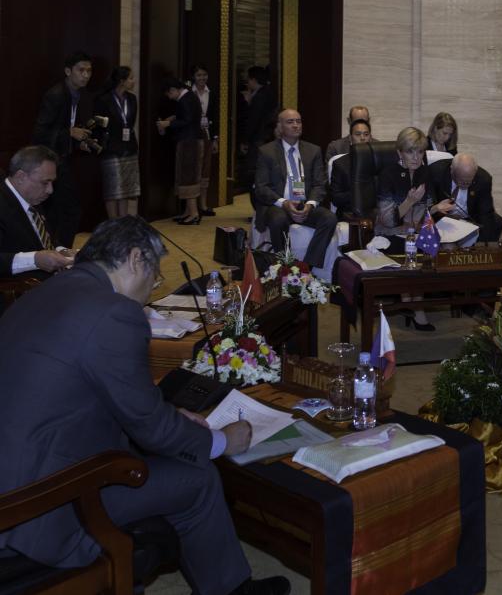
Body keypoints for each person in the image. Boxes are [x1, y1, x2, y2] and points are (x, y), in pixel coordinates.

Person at [0, 216, 289, 595]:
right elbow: (149, 426)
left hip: (17, 471)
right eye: (155, 276)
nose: (153, 286)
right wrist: (221, 441)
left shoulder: (45, 292)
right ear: (136, 258)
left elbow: (89, 392)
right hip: (40, 507)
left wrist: (166, 416)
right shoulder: (113, 312)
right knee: (197, 478)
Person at [253, 109, 338, 268]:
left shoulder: (313, 151)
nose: (296, 125)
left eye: (298, 121)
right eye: (290, 122)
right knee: (278, 220)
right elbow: (261, 188)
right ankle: (286, 266)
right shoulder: (267, 151)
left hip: (304, 203)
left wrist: (309, 205)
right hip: (278, 205)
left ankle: (307, 268)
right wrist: (284, 203)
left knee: (329, 218)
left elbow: (320, 184)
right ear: (280, 127)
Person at [32, 51, 97, 247]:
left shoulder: (79, 95)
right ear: (68, 71)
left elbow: (68, 130)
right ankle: (61, 252)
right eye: (81, 70)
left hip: (62, 159)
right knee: (69, 210)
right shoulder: (56, 95)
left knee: (58, 211)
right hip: (49, 162)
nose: (86, 75)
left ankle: (57, 250)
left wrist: (80, 142)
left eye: (89, 70)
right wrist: (69, 132)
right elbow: (40, 133)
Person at [376, 126, 435, 331]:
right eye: (410, 151)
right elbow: (387, 220)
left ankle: (414, 305)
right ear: (400, 152)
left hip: (414, 230)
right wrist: (409, 202)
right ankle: (414, 306)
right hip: (389, 233)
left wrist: (436, 208)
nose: (416, 157)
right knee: (406, 248)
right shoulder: (388, 174)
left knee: (426, 247)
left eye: (420, 152)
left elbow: (427, 209)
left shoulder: (425, 172)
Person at [1, 146, 74, 279]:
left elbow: (44, 241)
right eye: (45, 183)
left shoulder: (32, 198)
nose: (50, 190)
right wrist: (34, 260)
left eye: (52, 183)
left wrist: (63, 251)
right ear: (21, 177)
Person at [92, 66, 141, 219]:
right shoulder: (104, 100)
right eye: (131, 78)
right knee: (113, 189)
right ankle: (113, 224)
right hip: (110, 148)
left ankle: (123, 221)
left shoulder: (132, 99)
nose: (133, 81)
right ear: (122, 81)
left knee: (125, 189)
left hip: (129, 146)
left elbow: (130, 122)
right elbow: (98, 126)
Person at [428, 152, 502, 243]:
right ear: (452, 170)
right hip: (443, 218)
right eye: (462, 181)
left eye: (469, 181)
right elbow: (427, 204)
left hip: (469, 217)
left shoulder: (483, 179)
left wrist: (483, 245)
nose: (466, 184)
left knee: (496, 221)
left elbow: (486, 212)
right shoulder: (436, 172)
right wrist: (436, 208)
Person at [156, 78, 204, 225]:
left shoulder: (185, 99)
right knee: (186, 175)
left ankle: (194, 213)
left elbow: (187, 120)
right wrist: (175, 117)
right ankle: (188, 211)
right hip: (192, 141)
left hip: (189, 142)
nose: (170, 98)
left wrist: (168, 123)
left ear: (173, 90)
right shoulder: (189, 97)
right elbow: (186, 116)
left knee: (187, 175)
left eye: (169, 95)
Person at [237, 66, 278, 192]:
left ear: (254, 80)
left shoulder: (259, 97)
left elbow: (253, 120)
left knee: (255, 172)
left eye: (248, 80)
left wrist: (245, 140)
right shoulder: (269, 92)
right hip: (267, 137)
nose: (248, 84)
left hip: (258, 138)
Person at [189, 64, 220, 217]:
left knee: (205, 169)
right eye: (199, 75)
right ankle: (192, 206)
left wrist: (215, 139)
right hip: (193, 136)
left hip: (207, 134)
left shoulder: (211, 93)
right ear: (193, 77)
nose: (202, 78)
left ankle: (204, 204)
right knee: (194, 169)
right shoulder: (189, 93)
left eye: (204, 75)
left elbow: (215, 116)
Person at [328, 118, 372, 216]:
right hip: (349, 212)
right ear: (350, 139)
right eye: (358, 134)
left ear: (370, 137)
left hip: (374, 211)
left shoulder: (378, 161)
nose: (362, 138)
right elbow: (335, 198)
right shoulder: (340, 164)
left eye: (366, 134)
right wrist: (360, 192)